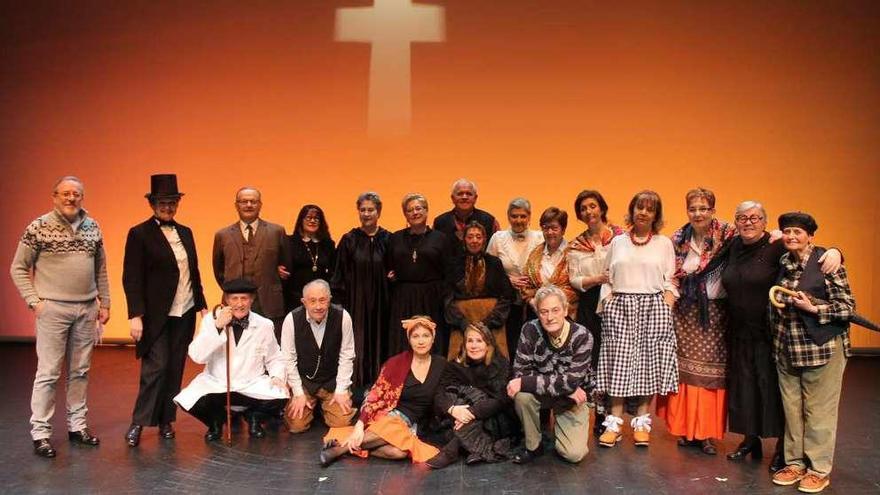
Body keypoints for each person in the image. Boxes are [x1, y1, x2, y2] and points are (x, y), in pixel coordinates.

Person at [721, 201, 840, 472]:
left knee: (773, 390)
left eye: (754, 217)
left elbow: (812, 254)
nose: (748, 222)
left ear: (765, 222)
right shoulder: (732, 245)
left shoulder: (777, 245)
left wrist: (836, 251)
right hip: (740, 331)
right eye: (742, 217)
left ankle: (783, 452)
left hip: (770, 332)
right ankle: (750, 440)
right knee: (745, 388)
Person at [10, 176, 111, 458]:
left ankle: (77, 426)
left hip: (86, 309)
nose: (70, 199)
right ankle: (41, 433)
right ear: (54, 196)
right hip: (53, 309)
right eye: (65, 194)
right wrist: (36, 303)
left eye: (76, 194)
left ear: (82, 197)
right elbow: (18, 268)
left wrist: (105, 302)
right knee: (49, 373)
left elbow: (100, 268)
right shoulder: (38, 227)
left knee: (80, 371)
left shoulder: (93, 227)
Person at [768, 212, 854, 494]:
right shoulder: (783, 261)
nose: (792, 236)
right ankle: (794, 463)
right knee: (792, 410)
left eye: (798, 232)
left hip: (821, 348)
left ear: (810, 236)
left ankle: (818, 469)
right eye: (787, 232)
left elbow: (846, 308)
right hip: (787, 348)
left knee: (819, 412)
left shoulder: (826, 263)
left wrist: (815, 309)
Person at [122, 174, 208, 447]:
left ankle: (165, 421)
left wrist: (203, 307)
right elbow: (131, 277)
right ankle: (139, 421)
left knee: (174, 367)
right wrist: (135, 315)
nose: (168, 207)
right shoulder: (139, 233)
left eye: (172, 202)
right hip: (156, 315)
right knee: (155, 368)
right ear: (152, 204)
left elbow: (193, 272)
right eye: (162, 202)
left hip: (184, 311)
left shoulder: (186, 233)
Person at [656, 188, 736, 455]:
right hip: (684, 313)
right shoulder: (678, 239)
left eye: (703, 208)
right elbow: (671, 276)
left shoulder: (728, 234)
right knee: (683, 373)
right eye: (693, 208)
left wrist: (833, 251)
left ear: (712, 209)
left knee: (710, 376)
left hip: (716, 315)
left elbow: (763, 238)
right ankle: (684, 429)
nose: (698, 213)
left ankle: (704, 433)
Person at [596, 190, 677, 448]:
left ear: (656, 215)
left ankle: (642, 422)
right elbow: (607, 275)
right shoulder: (618, 242)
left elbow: (671, 279)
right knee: (618, 365)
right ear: (631, 211)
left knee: (648, 365)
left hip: (653, 306)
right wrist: (608, 303)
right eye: (639, 207)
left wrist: (666, 305)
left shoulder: (664, 244)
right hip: (621, 306)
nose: (643, 212)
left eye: (649, 209)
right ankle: (614, 423)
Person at [319, 316, 448, 466]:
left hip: (412, 424)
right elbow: (375, 396)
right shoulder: (396, 363)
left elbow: (446, 391)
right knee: (393, 425)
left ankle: (345, 447)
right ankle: (338, 451)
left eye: (425, 336)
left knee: (399, 453)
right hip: (384, 414)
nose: (420, 341)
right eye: (415, 336)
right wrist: (360, 425)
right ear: (409, 340)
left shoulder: (441, 364)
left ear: (433, 339)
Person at [174, 278, 289, 440]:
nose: (239, 304)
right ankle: (215, 421)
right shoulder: (211, 320)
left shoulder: (264, 325)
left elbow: (275, 357)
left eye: (244, 298)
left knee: (281, 395)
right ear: (227, 300)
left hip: (251, 383)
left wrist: (277, 376)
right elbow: (197, 356)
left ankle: (253, 418)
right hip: (217, 383)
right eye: (234, 298)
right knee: (187, 400)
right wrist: (217, 327)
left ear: (252, 300)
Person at [506, 286, 592, 464]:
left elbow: (572, 381)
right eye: (544, 312)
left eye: (555, 310)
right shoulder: (529, 329)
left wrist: (567, 387)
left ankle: (560, 428)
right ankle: (533, 445)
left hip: (572, 399)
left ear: (565, 310)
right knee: (522, 395)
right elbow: (520, 371)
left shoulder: (582, 336)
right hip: (557, 393)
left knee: (574, 454)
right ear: (537, 313)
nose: (550, 317)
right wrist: (565, 387)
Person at [566, 190, 624, 434]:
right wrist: (598, 278)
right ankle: (600, 414)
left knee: (616, 357)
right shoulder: (576, 245)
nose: (588, 211)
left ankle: (616, 414)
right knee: (596, 358)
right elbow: (574, 279)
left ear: (601, 207)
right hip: (590, 303)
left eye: (592, 206)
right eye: (583, 208)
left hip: (619, 301)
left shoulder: (621, 237)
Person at [426, 322, 518, 469]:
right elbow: (439, 393)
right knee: (456, 392)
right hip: (457, 417)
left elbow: (501, 400)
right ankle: (471, 449)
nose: (474, 345)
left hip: (495, 418)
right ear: (464, 344)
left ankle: (452, 450)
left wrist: (471, 412)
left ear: (488, 344)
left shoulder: (500, 365)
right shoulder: (455, 366)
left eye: (479, 341)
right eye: (470, 340)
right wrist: (452, 410)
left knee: (479, 397)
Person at [330, 192, 391, 387]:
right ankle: (355, 390)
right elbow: (338, 274)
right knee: (357, 345)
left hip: (383, 305)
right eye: (362, 210)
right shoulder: (349, 240)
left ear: (378, 212)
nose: (366, 214)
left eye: (370, 210)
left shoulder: (389, 239)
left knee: (382, 344)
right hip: (355, 305)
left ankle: (381, 388)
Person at [212, 187, 290, 341]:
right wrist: (232, 290)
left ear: (260, 205)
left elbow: (286, 265)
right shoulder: (223, 235)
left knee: (271, 349)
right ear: (236, 205)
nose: (248, 205)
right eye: (244, 201)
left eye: (253, 201)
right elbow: (219, 269)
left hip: (269, 303)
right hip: (235, 303)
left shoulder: (277, 231)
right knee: (236, 348)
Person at [280, 279, 356, 433]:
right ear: (304, 302)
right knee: (296, 426)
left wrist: (341, 389)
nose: (318, 306)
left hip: (331, 382)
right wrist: (298, 393)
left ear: (329, 299)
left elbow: (347, 355)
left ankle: (324, 407)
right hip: (305, 382)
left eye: (323, 300)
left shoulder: (343, 317)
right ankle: (312, 406)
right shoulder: (291, 319)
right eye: (312, 301)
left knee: (342, 423)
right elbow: (288, 359)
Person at [385, 193, 454, 357]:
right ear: (405, 215)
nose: (415, 213)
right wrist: (390, 277)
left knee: (430, 339)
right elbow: (388, 266)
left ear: (426, 211)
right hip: (403, 296)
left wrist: (442, 296)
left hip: (432, 297)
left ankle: (432, 378)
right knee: (403, 340)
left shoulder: (440, 239)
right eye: (410, 210)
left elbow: (449, 271)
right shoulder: (395, 238)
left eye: (419, 208)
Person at [445, 222, 515, 359]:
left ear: (484, 239)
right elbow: (447, 297)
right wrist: (463, 323)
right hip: (462, 321)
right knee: (459, 362)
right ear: (464, 239)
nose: (474, 240)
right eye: (470, 237)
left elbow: (506, 296)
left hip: (492, 321)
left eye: (478, 236)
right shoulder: (453, 264)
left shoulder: (494, 263)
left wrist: (488, 323)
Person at [486, 198, 543, 356]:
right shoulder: (498, 238)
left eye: (523, 216)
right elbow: (488, 270)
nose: (518, 220)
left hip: (534, 301)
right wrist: (508, 279)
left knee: (534, 341)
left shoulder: (540, 238)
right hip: (507, 303)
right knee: (510, 342)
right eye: (514, 216)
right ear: (508, 216)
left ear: (529, 216)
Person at [522, 207, 578, 319]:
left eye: (554, 228)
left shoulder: (574, 253)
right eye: (545, 228)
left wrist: (539, 293)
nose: (549, 232)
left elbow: (575, 288)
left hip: (566, 315)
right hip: (536, 313)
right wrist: (533, 302)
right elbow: (525, 285)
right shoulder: (535, 253)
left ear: (563, 229)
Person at [284, 204, 335, 312]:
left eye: (316, 218)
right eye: (308, 217)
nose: (312, 221)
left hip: (321, 301)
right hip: (295, 299)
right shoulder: (289, 242)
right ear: (301, 221)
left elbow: (333, 272)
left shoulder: (328, 244)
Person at [432, 178, 500, 248]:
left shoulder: (490, 221)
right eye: (460, 194)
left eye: (469, 194)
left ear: (475, 198)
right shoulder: (439, 222)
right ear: (452, 198)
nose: (464, 197)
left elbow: (497, 249)